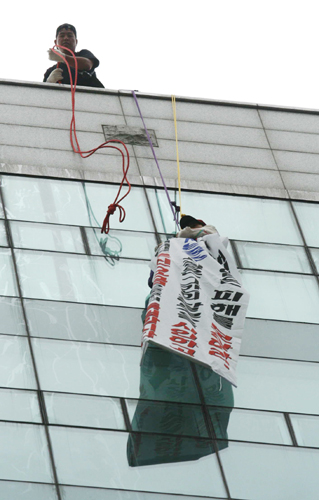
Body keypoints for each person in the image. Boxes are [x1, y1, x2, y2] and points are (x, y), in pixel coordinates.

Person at [44, 24, 104, 88]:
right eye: (62, 36)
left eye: (70, 36)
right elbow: (42, 94)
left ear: (76, 41)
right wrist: (49, 83)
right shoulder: (51, 71)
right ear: (56, 42)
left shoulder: (83, 54)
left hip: (91, 96)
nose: (66, 38)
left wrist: (64, 57)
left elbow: (87, 65)